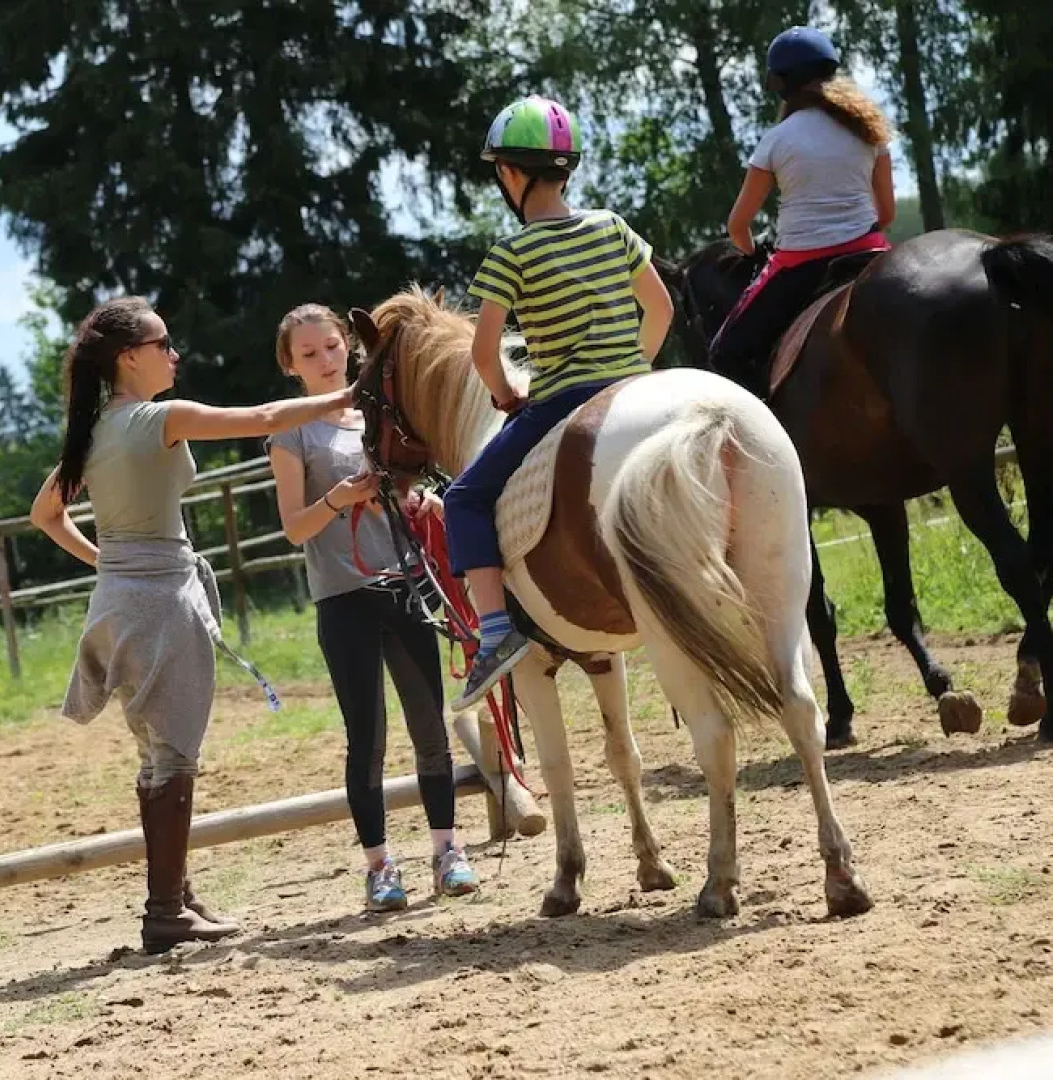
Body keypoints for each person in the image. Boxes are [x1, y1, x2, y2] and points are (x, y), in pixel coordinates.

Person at [29, 296, 353, 955]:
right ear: (129, 358)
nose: (174, 355)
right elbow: (262, 418)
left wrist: (110, 564)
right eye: (163, 344)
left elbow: (44, 515)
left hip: (118, 602)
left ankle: (174, 896)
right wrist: (346, 397)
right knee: (175, 755)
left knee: (154, 755)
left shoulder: (91, 432)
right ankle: (164, 911)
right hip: (162, 601)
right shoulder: (159, 419)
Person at [443, 94, 675, 710]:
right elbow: (660, 308)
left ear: (509, 174)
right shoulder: (613, 227)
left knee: (463, 498)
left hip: (562, 399)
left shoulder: (510, 254)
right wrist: (634, 369)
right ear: (566, 169)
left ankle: (496, 634)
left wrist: (505, 395)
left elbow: (484, 353)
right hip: (634, 384)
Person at [265, 304, 480, 912]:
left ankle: (448, 852)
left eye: (332, 346)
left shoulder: (379, 412)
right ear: (291, 366)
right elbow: (294, 528)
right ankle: (380, 866)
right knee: (368, 738)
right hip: (343, 598)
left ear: (349, 346)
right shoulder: (290, 432)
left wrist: (425, 503)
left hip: (404, 585)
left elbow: (410, 481)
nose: (326, 360)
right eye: (309, 354)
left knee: (429, 726)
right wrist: (339, 497)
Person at [708, 25, 897, 396]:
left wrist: (751, 251)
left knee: (726, 353)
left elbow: (738, 225)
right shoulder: (870, 133)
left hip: (801, 263)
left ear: (780, 84)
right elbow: (886, 214)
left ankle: (770, 425)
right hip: (869, 252)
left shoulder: (776, 140)